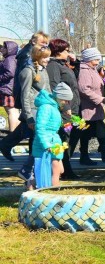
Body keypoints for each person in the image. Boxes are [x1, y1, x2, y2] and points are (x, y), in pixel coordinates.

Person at [13, 45, 52, 182]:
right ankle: (28, 169)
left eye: (49, 56)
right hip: (34, 112)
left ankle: (29, 169)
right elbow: (24, 96)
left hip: (44, 110)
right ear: (37, 57)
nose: (48, 59)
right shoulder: (28, 71)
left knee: (41, 141)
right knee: (40, 141)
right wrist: (28, 117)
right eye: (45, 57)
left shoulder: (43, 69)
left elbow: (47, 91)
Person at [46, 39, 80, 179]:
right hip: (65, 110)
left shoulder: (64, 64)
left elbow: (75, 79)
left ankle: (65, 166)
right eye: (66, 50)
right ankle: (64, 169)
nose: (68, 52)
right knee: (64, 138)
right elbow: (55, 87)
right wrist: (64, 106)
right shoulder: (53, 65)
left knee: (74, 136)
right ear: (58, 51)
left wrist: (75, 62)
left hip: (73, 107)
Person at [74, 48, 105, 164]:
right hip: (87, 107)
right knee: (85, 133)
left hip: (94, 107)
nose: (97, 62)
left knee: (101, 128)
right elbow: (83, 89)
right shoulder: (84, 71)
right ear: (89, 59)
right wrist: (100, 99)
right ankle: (85, 156)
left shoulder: (92, 69)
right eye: (95, 59)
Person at [31, 83, 73, 188]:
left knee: (60, 170)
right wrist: (46, 144)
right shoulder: (46, 108)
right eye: (65, 100)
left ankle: (33, 183)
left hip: (54, 142)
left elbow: (52, 125)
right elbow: (40, 128)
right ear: (58, 97)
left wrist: (67, 125)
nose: (66, 103)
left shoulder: (54, 107)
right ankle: (54, 189)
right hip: (46, 143)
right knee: (55, 169)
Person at [1, 41, 20, 135]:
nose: (1, 50)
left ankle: (13, 132)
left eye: (4, 48)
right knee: (13, 110)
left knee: (10, 110)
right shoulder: (12, 58)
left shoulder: (9, 59)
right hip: (11, 87)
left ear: (9, 49)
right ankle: (16, 132)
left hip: (8, 88)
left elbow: (10, 73)